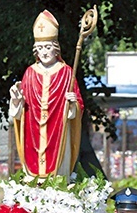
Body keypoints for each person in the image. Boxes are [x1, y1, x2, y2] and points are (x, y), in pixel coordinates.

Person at [8, 10, 84, 177]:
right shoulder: (30, 72)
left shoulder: (66, 73)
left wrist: (73, 104)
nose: (44, 52)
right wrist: (16, 101)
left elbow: (78, 107)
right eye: (40, 48)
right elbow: (21, 109)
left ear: (56, 49)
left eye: (48, 47)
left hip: (58, 133)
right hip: (33, 135)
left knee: (59, 173)